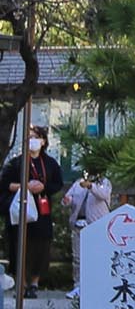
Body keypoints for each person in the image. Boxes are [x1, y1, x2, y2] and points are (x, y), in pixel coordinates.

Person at [1, 126, 63, 299]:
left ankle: (34, 283)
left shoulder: (50, 163)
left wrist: (44, 187)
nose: (32, 141)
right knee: (19, 244)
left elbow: (57, 183)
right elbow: (5, 184)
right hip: (20, 209)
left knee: (41, 245)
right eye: (29, 138)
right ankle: (22, 283)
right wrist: (25, 186)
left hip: (42, 210)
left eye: (35, 137)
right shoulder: (17, 162)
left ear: (43, 141)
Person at [63, 172, 110, 300]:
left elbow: (103, 195)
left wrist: (91, 186)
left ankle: (97, 286)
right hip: (78, 224)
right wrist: (67, 200)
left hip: (96, 226)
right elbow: (68, 198)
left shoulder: (104, 182)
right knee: (78, 258)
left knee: (97, 257)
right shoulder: (78, 183)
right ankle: (78, 286)